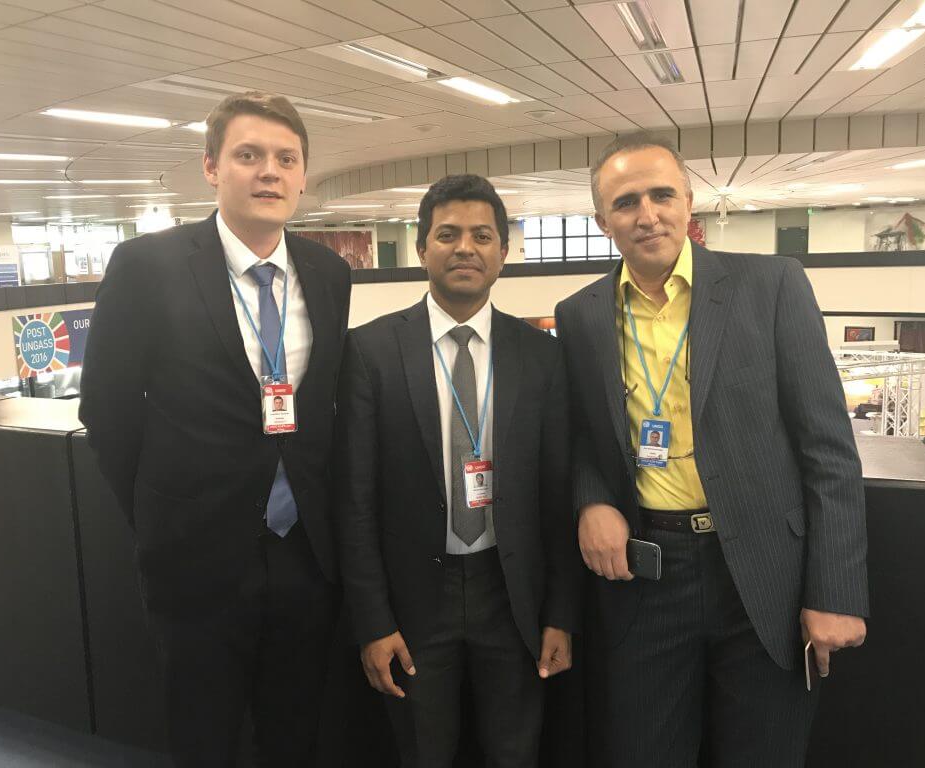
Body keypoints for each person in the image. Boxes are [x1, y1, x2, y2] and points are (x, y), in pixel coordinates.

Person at [554, 134, 868, 767]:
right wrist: (591, 499)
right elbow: (585, 433)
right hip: (645, 575)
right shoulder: (581, 313)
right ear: (601, 221)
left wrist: (835, 590)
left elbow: (828, 449)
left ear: (688, 200)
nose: (647, 215)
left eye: (662, 194)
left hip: (762, 576)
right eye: (625, 202)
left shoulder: (771, 284)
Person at [80, 91, 351, 767]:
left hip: (305, 557)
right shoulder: (148, 266)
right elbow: (107, 412)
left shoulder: (329, 273)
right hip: (195, 563)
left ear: (303, 176)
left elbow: (322, 411)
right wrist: (162, 519)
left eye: (286, 159)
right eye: (249, 155)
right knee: (203, 740)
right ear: (211, 168)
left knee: (295, 734)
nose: (269, 172)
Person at [335, 174, 582, 767]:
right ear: (422, 248)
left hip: (513, 592)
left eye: (482, 235)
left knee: (514, 752)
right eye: (447, 234)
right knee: (422, 753)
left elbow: (558, 495)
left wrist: (561, 615)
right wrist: (372, 621)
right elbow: (355, 501)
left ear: (502, 252)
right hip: (416, 598)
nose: (465, 247)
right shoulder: (369, 352)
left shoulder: (542, 357)